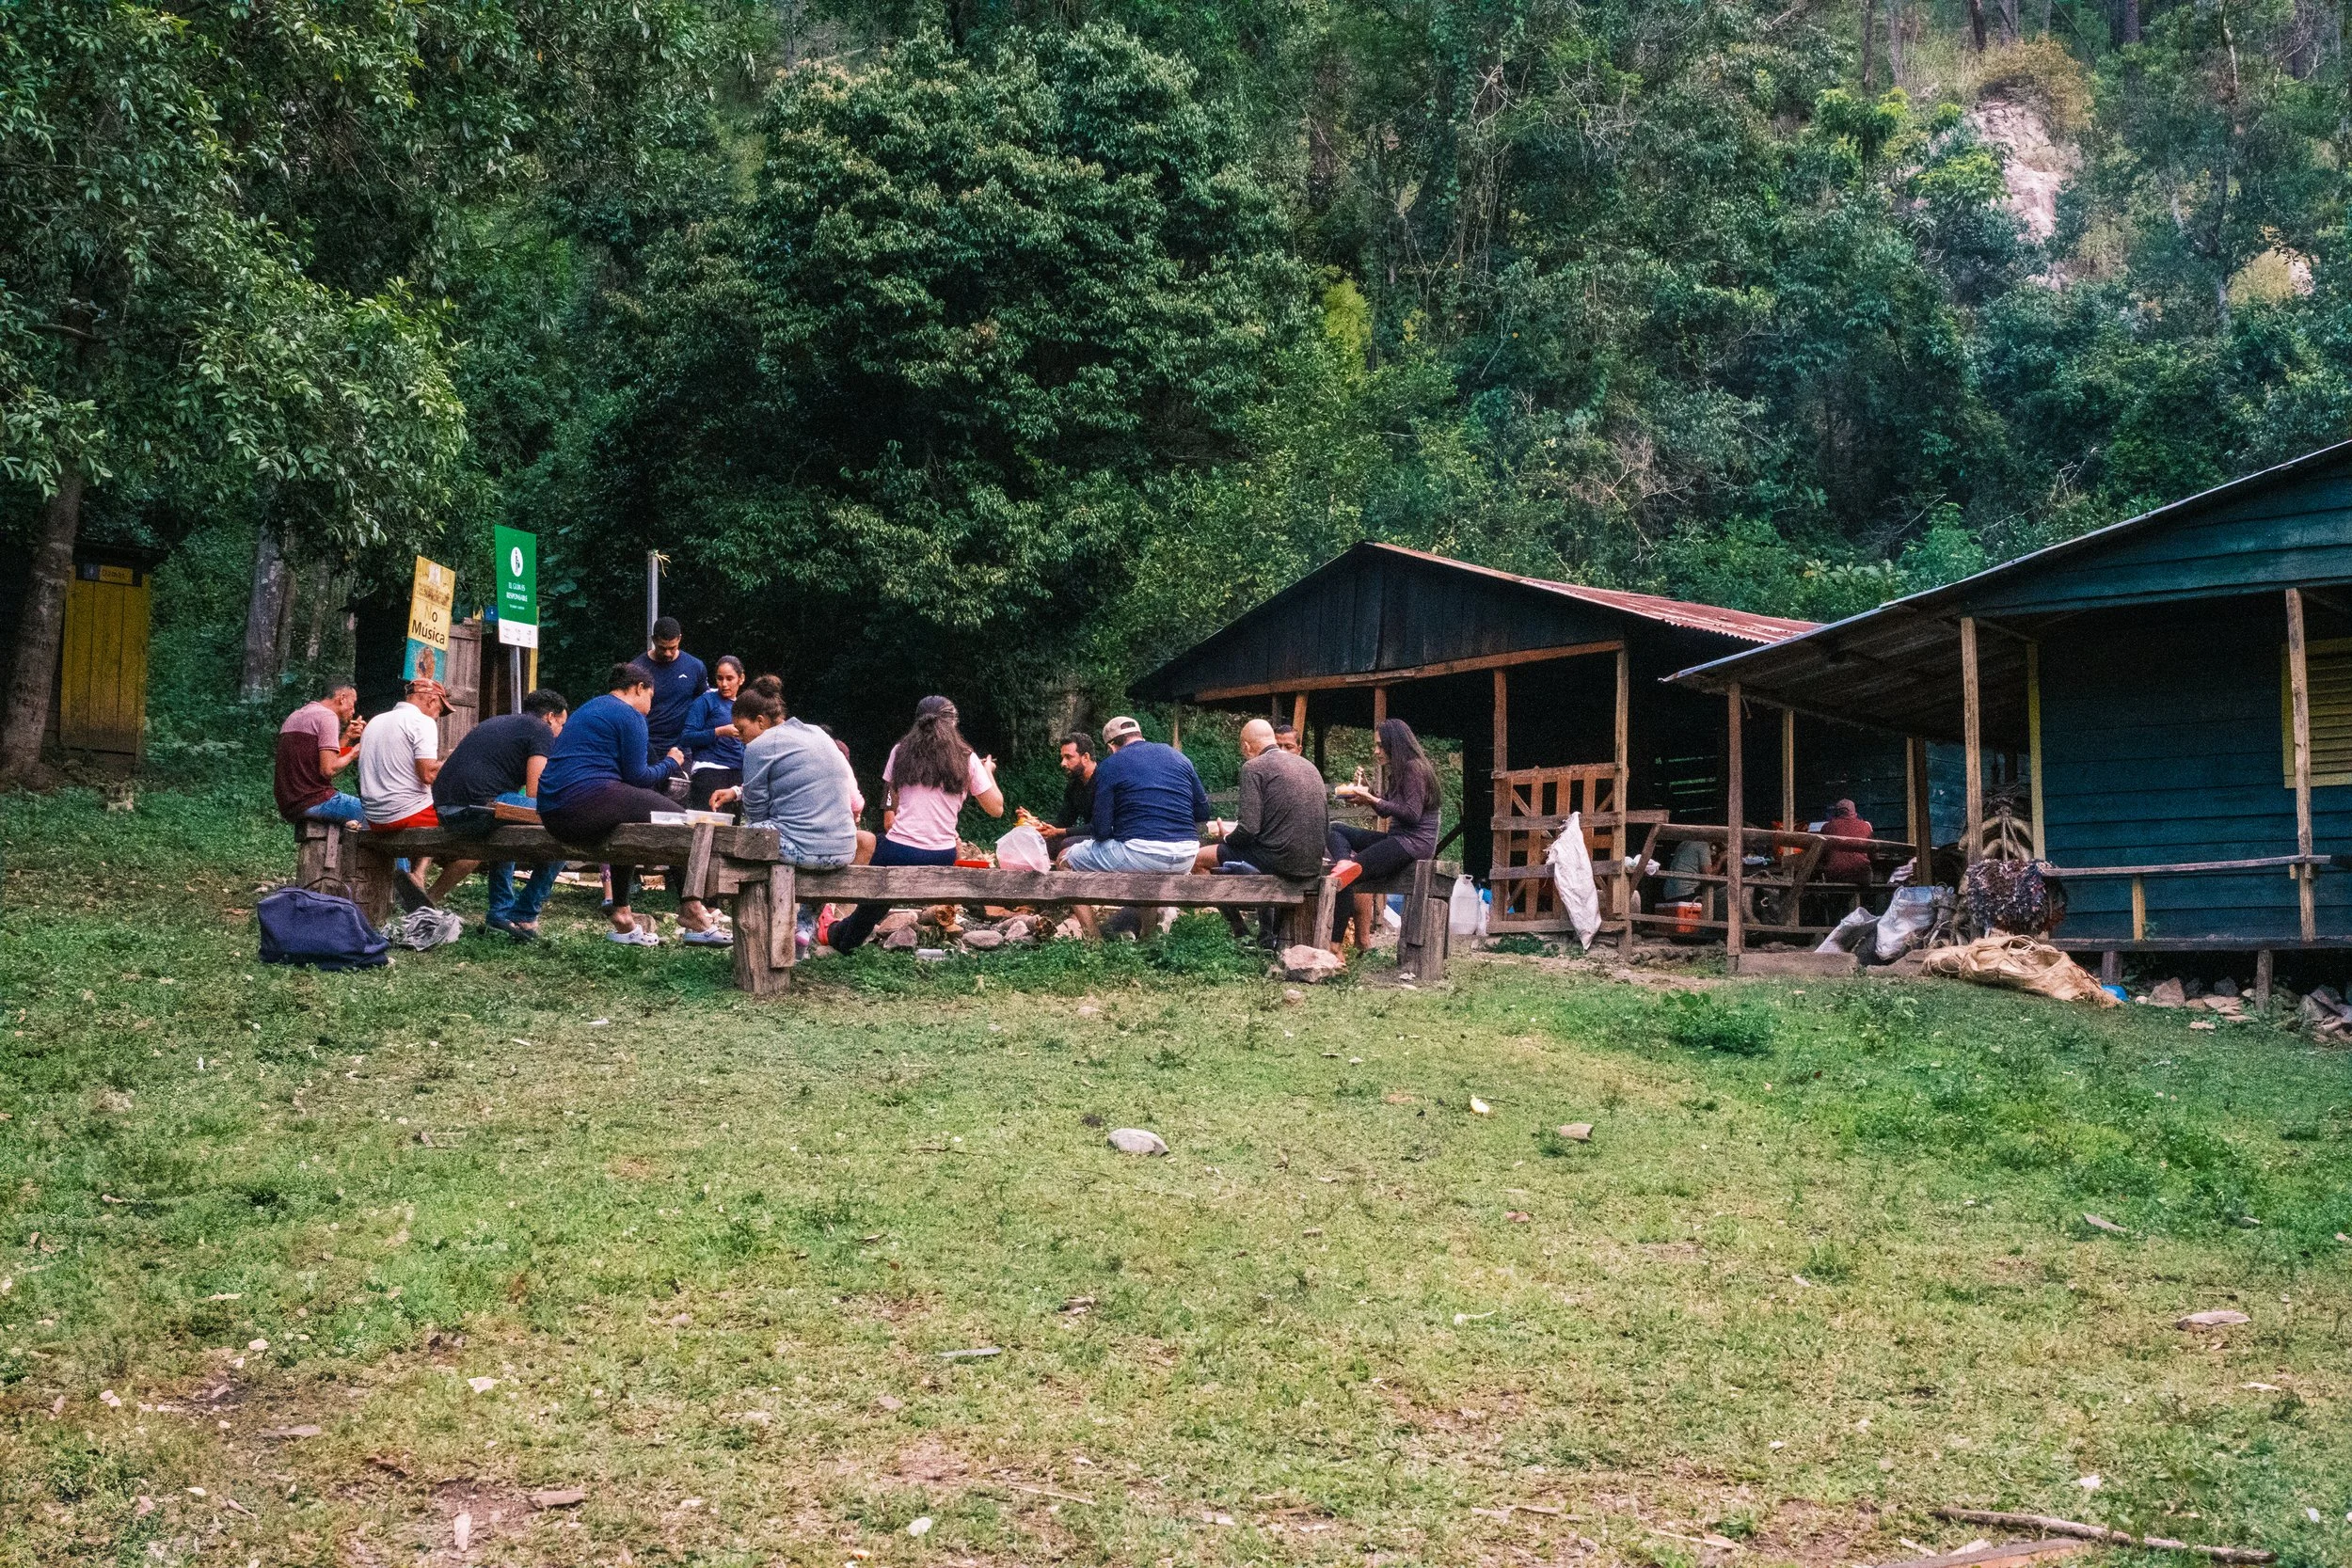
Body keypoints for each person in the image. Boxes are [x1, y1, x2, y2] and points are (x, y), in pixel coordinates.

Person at [538, 663, 722, 947]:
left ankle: (622, 916)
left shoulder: (589, 708)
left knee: (626, 822)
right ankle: (692, 911)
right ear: (639, 688)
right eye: (651, 696)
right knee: (683, 823)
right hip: (584, 800)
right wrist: (671, 762)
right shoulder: (630, 715)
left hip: (553, 810)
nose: (651, 704)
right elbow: (639, 778)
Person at [827, 696, 1002, 953]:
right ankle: (842, 935)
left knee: (874, 891)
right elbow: (996, 809)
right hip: (943, 854)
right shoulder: (967, 758)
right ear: (953, 724)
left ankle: (842, 936)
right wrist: (987, 772)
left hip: (899, 850)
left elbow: (892, 797)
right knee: (878, 890)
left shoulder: (901, 751)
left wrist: (895, 813)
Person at [429, 689, 570, 940]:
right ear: (550, 717)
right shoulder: (541, 731)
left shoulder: (498, 722)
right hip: (478, 806)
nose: (561, 731)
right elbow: (536, 793)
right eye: (562, 723)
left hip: (446, 809)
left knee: (506, 825)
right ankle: (525, 913)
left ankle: (501, 912)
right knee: (567, 824)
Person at [712, 689, 870, 869]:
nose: (738, 736)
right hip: (845, 851)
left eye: (741, 729)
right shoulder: (817, 733)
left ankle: (718, 897)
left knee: (731, 838)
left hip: (804, 851)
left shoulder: (758, 746)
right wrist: (737, 791)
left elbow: (755, 814)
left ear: (760, 721)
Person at [1327, 717, 1443, 952]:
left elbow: (1411, 814)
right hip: (1397, 839)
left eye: (1380, 745)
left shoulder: (1414, 768)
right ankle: (1343, 862)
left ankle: (1335, 948)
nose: (1376, 750)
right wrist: (1368, 796)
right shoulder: (1399, 771)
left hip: (1412, 844)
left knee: (1346, 878)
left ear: (1395, 744)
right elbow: (1388, 809)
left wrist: (1373, 799)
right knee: (1335, 829)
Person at [1196, 719, 1327, 878]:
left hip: (1278, 861)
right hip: (1312, 864)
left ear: (1246, 747)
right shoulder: (1309, 767)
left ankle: (1218, 903)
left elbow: (1248, 830)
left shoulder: (1253, 767)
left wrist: (1226, 837)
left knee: (1199, 858)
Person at [274, 683, 368, 826]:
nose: (353, 710)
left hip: (290, 804)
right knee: (378, 816)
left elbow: (321, 762)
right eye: (353, 703)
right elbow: (328, 770)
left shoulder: (295, 715)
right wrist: (354, 753)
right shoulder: (327, 716)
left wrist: (346, 737)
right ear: (342, 698)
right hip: (314, 800)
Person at [628, 615, 708, 767]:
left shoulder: (695, 667)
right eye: (662, 648)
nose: (667, 653)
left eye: (672, 648)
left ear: (679, 639)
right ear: (653, 640)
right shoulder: (635, 669)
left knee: (679, 790)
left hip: (681, 748)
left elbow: (703, 705)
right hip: (645, 747)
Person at [682, 656, 747, 811]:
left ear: (741, 678)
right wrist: (719, 732)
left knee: (732, 830)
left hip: (737, 774)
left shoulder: (745, 706)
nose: (724, 684)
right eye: (719, 678)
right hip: (709, 770)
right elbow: (686, 737)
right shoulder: (705, 701)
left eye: (729, 678)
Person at [1035, 732, 1097, 859]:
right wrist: (1035, 823)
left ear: (1085, 757)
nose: (1063, 763)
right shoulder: (1074, 785)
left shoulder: (1104, 781)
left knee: (1066, 844)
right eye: (1062, 757)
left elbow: (1100, 826)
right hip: (1088, 834)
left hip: (1106, 836)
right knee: (1038, 838)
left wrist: (1059, 832)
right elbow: (1064, 821)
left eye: (1068, 757)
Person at [1820, 798, 1875, 882]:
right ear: (1854, 812)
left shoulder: (1827, 827)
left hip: (1836, 875)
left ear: (1836, 812)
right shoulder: (1866, 826)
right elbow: (1872, 852)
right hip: (1861, 875)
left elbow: (1823, 853)